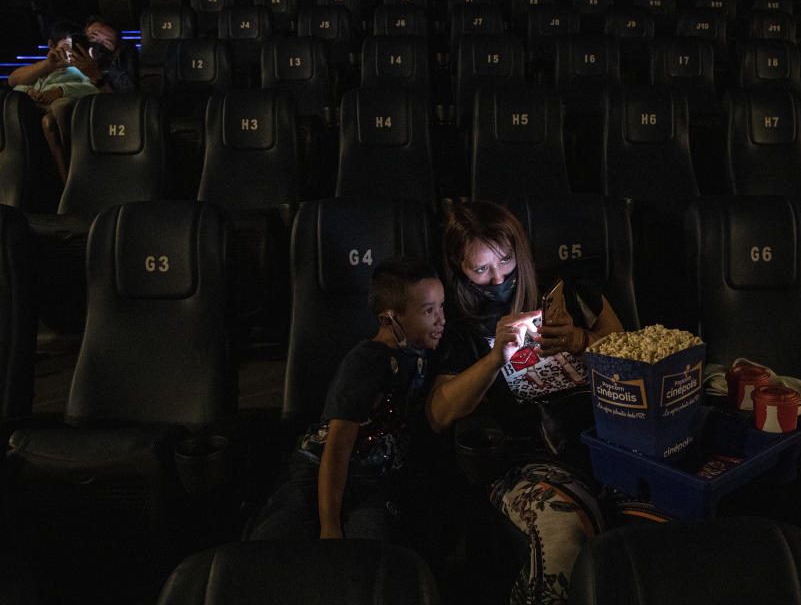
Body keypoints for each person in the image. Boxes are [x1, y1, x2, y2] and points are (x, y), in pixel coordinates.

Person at [427, 200, 625, 605]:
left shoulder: (564, 286)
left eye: (505, 261)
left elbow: (627, 350)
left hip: (600, 439)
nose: (499, 277)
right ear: (457, 265)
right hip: (519, 458)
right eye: (480, 269)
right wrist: (493, 359)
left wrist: (578, 341)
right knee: (562, 533)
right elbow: (439, 412)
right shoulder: (455, 323)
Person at [246, 256, 445, 542]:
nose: (441, 319)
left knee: (369, 551)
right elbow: (338, 447)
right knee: (273, 542)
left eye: (441, 307)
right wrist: (330, 526)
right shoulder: (367, 363)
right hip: (320, 473)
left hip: (372, 482)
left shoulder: (417, 352)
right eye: (429, 311)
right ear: (388, 319)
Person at [8, 20, 99, 184]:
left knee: (51, 118)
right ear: (51, 45)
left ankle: (68, 182)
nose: (69, 54)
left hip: (63, 109)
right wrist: (31, 91)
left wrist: (60, 91)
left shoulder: (80, 69)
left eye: (74, 49)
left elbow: (91, 87)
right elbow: (15, 82)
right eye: (65, 47)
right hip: (36, 108)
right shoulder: (42, 68)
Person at [73, 16, 137, 94]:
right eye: (93, 38)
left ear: (115, 52)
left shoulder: (116, 75)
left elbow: (125, 99)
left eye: (107, 43)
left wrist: (96, 77)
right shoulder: (68, 61)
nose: (98, 44)